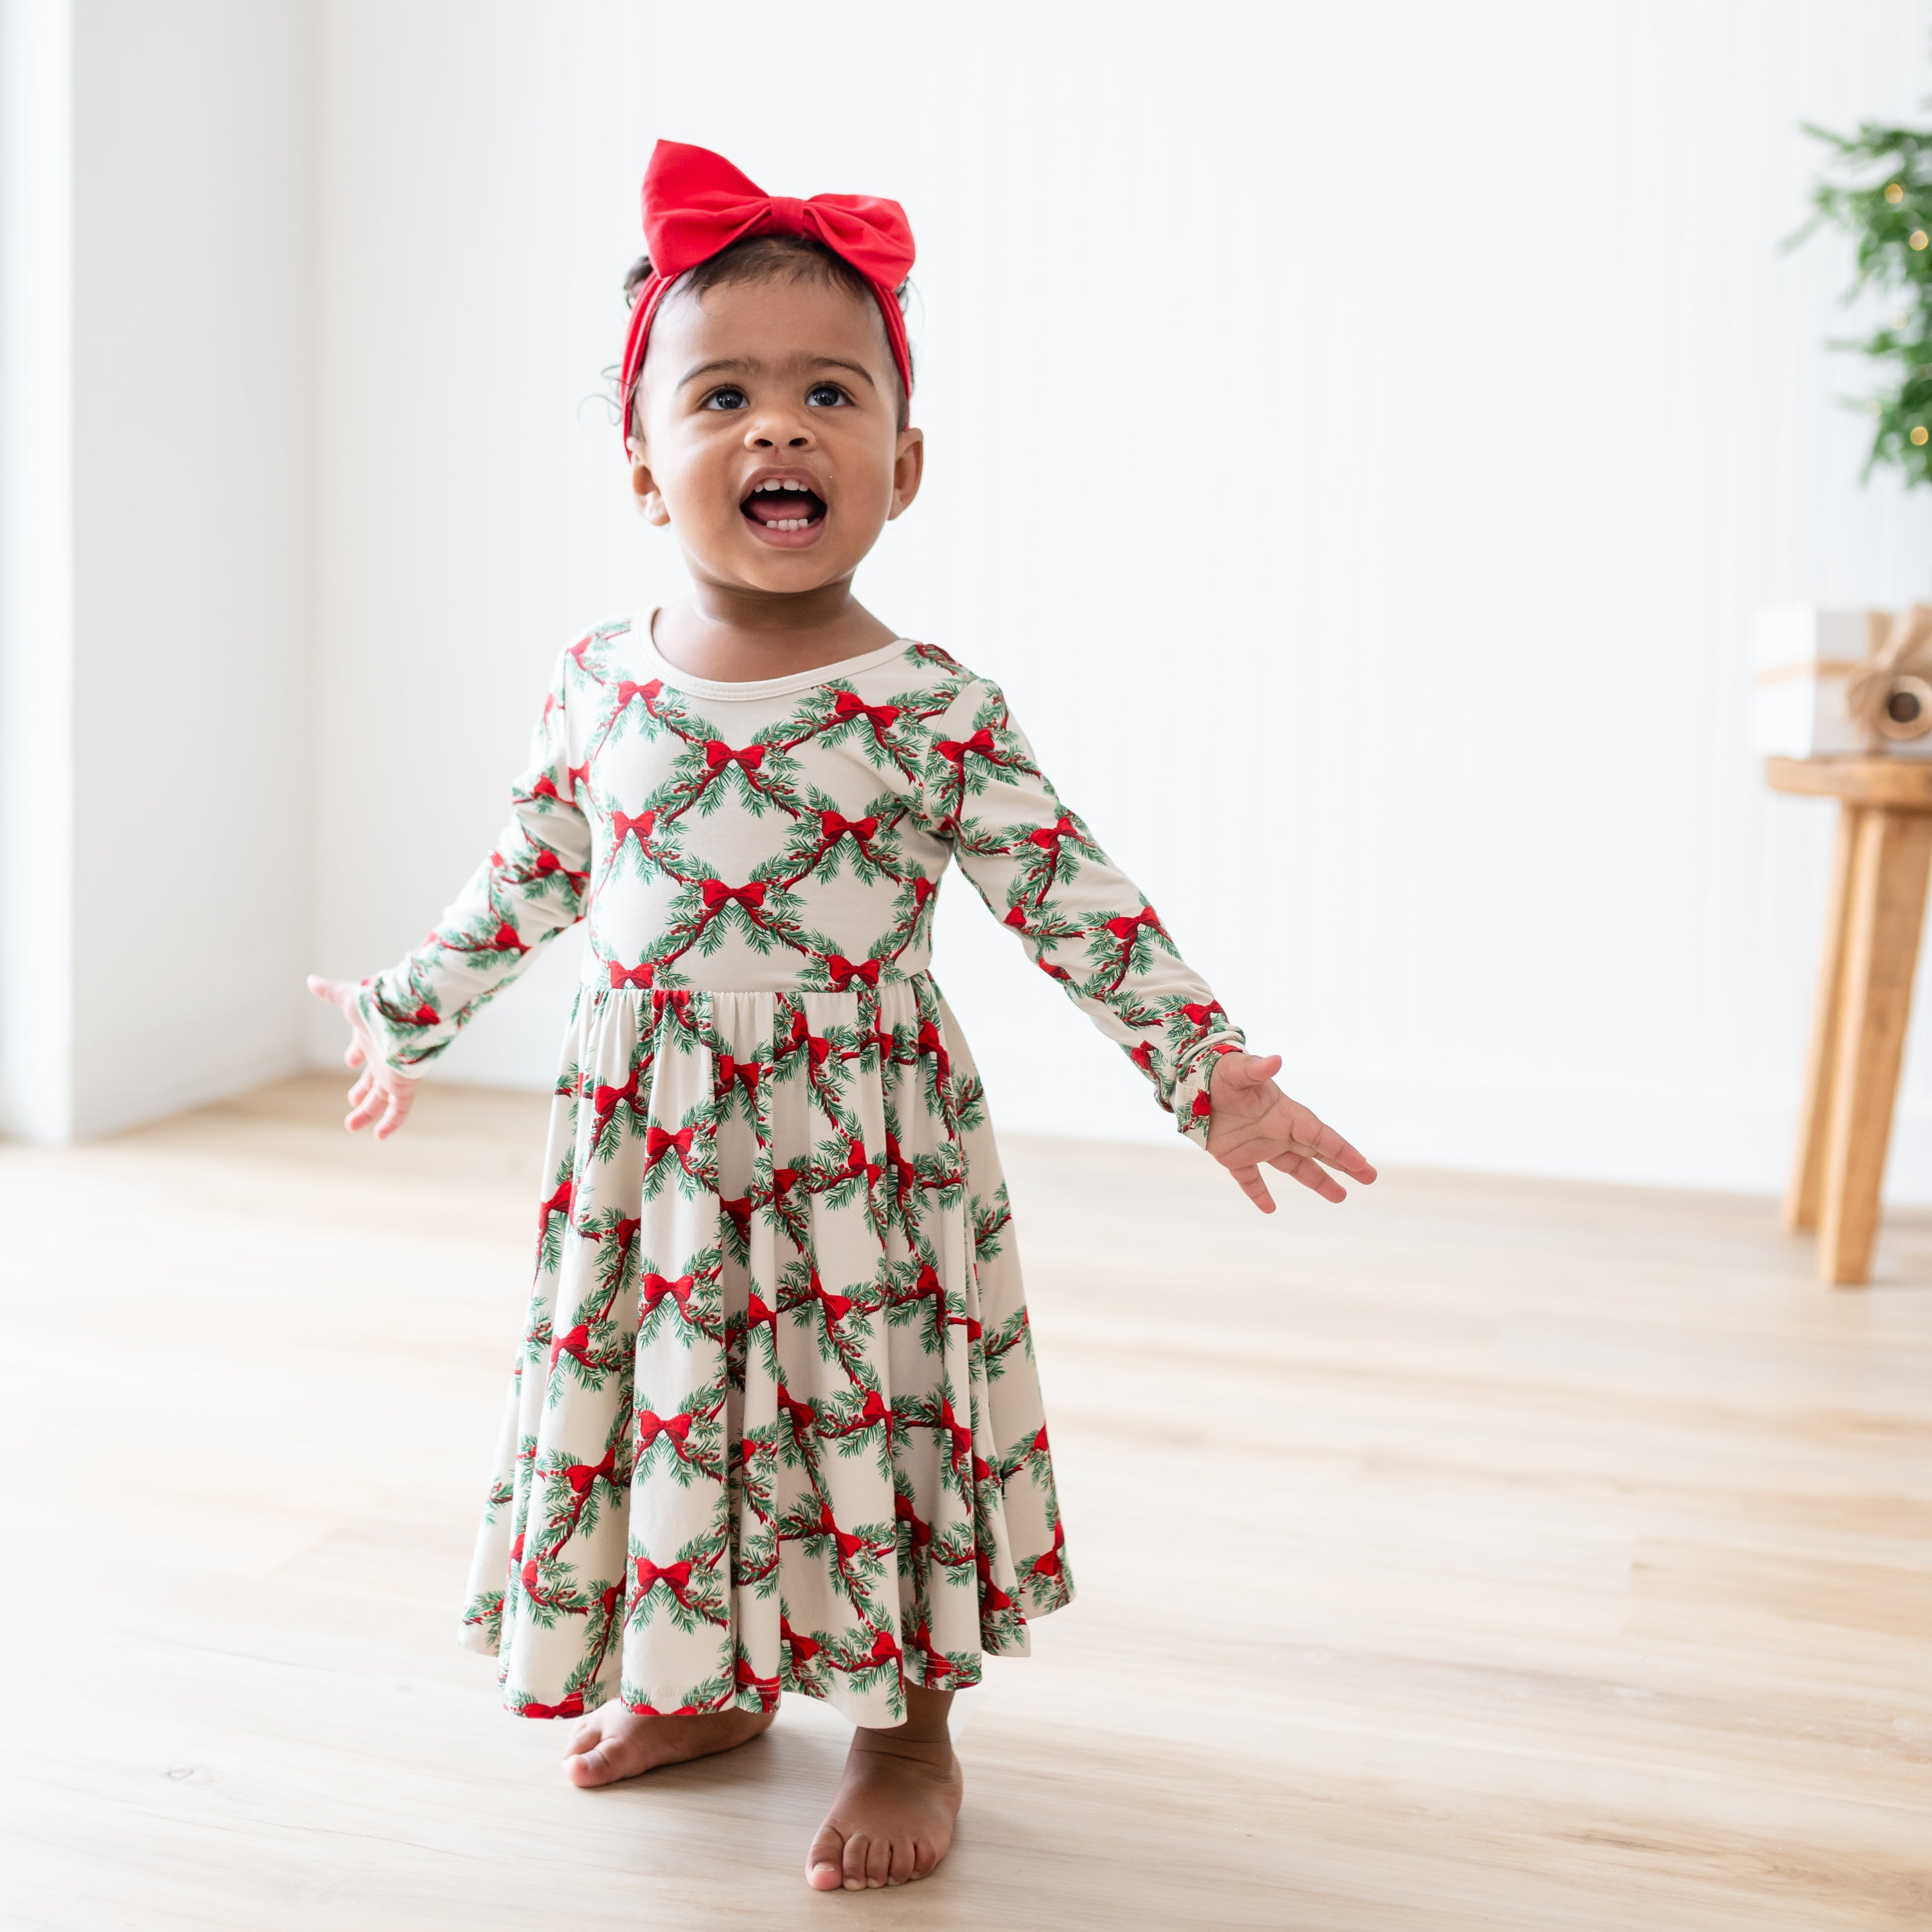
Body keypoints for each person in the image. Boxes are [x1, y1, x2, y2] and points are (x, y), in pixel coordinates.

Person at [309, 139, 1375, 1895]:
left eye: (831, 393)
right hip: (650, 1152)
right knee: (680, 1401)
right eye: (722, 395)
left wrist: (1211, 1070)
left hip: (855, 1152)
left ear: (908, 461)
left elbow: (1076, 901)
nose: (779, 429)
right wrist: (407, 1010)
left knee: (861, 1411)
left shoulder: (931, 708)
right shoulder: (598, 681)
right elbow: (531, 871)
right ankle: (703, 1675)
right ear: (645, 467)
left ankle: (904, 1728)